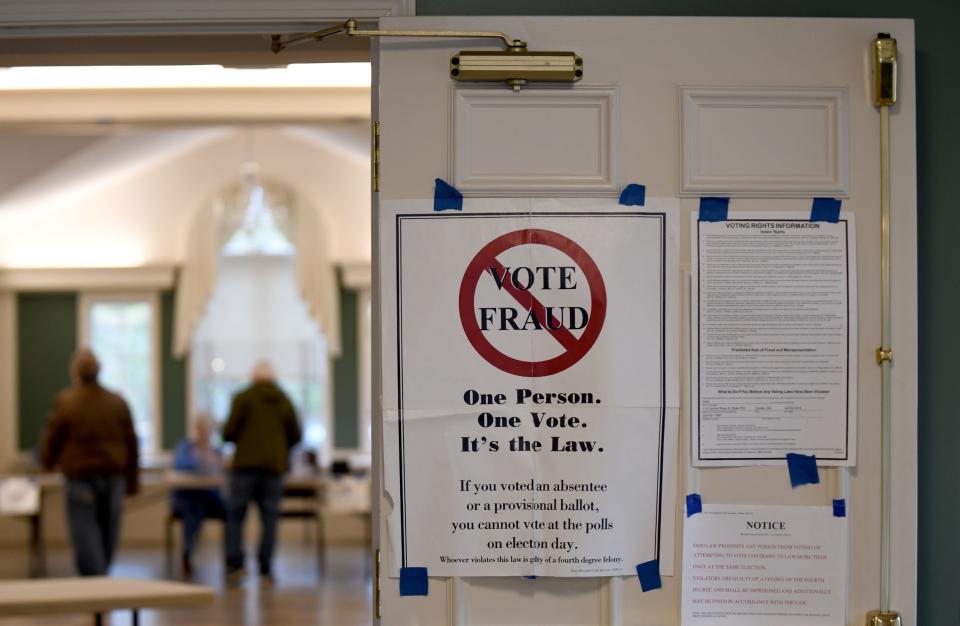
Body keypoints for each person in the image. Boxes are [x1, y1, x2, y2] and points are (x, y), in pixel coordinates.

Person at [39, 348, 139, 576]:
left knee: (85, 533)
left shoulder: (66, 402)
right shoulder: (117, 402)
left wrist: (47, 464)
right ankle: (100, 577)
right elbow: (132, 445)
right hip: (113, 478)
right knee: (107, 531)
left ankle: (96, 581)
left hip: (81, 479)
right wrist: (132, 484)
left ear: (75, 372)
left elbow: (51, 439)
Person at [222, 361, 301, 585]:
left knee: (236, 516)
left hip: (244, 467)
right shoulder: (285, 400)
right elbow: (296, 435)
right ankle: (266, 568)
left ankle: (235, 565)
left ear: (253, 378)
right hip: (274, 469)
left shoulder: (243, 398)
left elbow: (228, 432)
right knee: (270, 518)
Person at [171, 413, 225, 576]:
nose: (205, 433)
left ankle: (233, 558)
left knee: (232, 509)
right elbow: (181, 465)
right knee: (193, 508)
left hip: (210, 496)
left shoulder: (216, 450)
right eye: (202, 429)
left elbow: (221, 470)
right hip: (189, 496)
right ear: (197, 429)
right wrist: (201, 461)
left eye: (209, 429)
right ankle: (188, 551)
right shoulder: (185, 447)